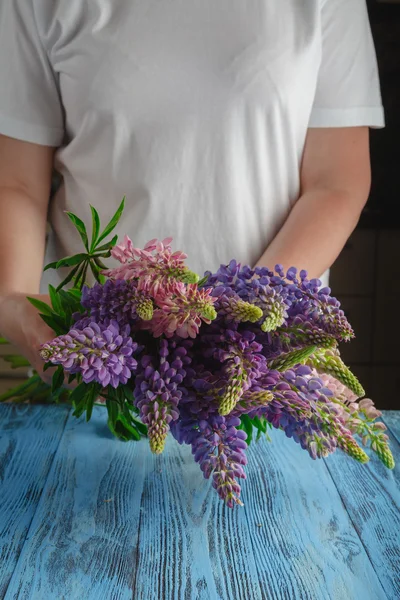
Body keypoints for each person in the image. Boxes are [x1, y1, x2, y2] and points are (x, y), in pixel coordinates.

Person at [0, 0, 384, 383]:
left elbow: (336, 182)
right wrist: (13, 301)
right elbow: (16, 182)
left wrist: (239, 322)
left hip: (266, 366)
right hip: (93, 360)